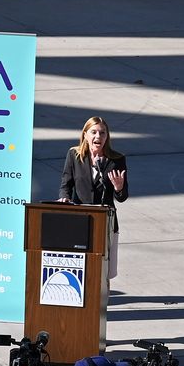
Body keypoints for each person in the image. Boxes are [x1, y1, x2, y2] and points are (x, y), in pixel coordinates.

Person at [58, 117, 128, 280]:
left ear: (107, 136)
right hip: (80, 221)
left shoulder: (117, 160)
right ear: (85, 135)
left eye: (102, 133)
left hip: (106, 222)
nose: (98, 136)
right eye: (94, 132)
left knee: (104, 272)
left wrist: (119, 188)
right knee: (80, 268)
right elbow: (65, 184)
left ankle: (101, 302)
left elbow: (122, 197)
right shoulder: (74, 155)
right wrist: (64, 198)